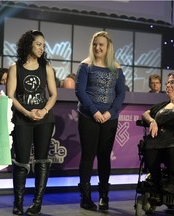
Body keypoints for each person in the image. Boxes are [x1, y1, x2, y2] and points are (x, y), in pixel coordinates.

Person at [7, 30, 57, 216]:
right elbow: (10, 96)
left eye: (43, 45)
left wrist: (43, 111)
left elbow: (53, 95)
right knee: (21, 161)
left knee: (42, 160)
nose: (41, 48)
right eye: (38, 44)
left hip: (44, 119)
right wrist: (27, 112)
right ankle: (18, 203)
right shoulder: (15, 67)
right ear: (29, 44)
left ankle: (37, 203)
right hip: (22, 119)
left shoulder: (47, 68)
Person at [75, 31, 126, 211]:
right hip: (88, 117)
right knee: (88, 156)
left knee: (104, 157)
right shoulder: (85, 65)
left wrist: (110, 112)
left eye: (101, 45)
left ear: (108, 47)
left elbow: (121, 93)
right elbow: (80, 92)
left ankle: (104, 195)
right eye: (95, 44)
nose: (98, 47)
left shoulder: (116, 67)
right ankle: (85, 196)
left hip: (109, 119)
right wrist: (95, 111)